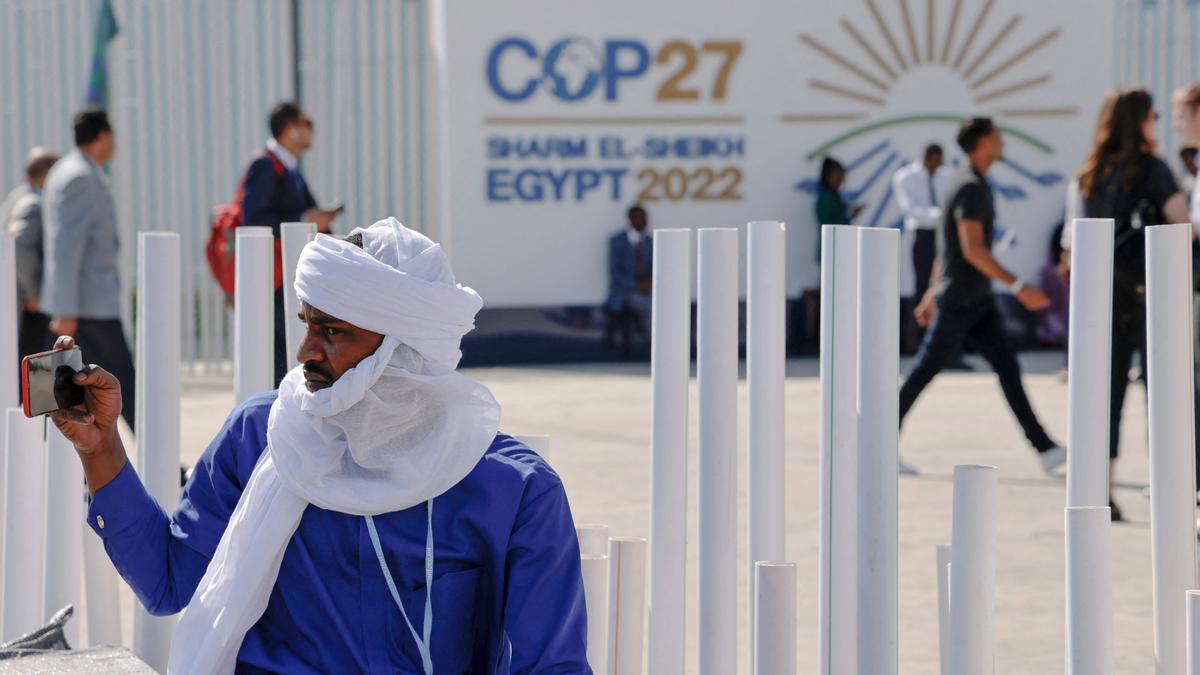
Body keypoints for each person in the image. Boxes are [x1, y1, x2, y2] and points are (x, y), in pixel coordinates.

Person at [52, 217, 589, 672]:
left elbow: (550, 664)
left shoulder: (511, 490)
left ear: (405, 349)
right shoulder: (260, 437)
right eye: (308, 324)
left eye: (332, 332)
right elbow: (170, 584)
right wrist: (101, 452)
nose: (305, 349)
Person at [900, 118, 1066, 475]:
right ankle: (876, 444)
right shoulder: (969, 187)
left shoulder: (970, 184)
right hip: (960, 300)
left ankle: (1045, 448)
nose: (1002, 142)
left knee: (1007, 368)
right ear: (983, 142)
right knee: (923, 371)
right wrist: (1020, 286)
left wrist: (930, 291)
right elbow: (971, 250)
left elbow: (946, 249)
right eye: (997, 137)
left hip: (976, 300)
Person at [41, 108, 134, 429]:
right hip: (89, 304)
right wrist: (66, 309)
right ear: (104, 137)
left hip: (83, 303)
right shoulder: (80, 177)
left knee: (72, 387)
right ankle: (161, 463)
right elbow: (67, 247)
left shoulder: (68, 171)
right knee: (123, 381)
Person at [241, 101, 342, 387]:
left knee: (290, 346)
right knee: (283, 350)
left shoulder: (289, 167)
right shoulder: (266, 165)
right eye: (306, 123)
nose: (312, 130)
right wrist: (302, 217)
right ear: (290, 130)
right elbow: (253, 217)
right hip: (273, 275)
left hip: (289, 273)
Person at [4, 147, 58, 367]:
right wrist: (34, 293)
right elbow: (19, 244)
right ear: (47, 174)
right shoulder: (34, 203)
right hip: (29, 305)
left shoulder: (16, 197)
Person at [893, 143, 953, 302]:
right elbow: (911, 211)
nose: (936, 167)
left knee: (943, 282)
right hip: (922, 236)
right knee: (922, 285)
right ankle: (917, 325)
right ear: (926, 159)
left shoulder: (946, 175)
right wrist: (942, 215)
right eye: (934, 163)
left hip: (942, 235)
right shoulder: (905, 176)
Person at [605, 204, 652, 358]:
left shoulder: (651, 242)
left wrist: (650, 284)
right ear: (631, 219)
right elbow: (615, 272)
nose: (644, 221)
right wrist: (637, 286)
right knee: (633, 305)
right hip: (625, 293)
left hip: (647, 291)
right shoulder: (617, 241)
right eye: (640, 217)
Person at [814, 157, 863, 246]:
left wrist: (850, 215)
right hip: (829, 248)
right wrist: (848, 214)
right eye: (838, 178)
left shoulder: (834, 196)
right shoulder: (825, 199)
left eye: (842, 178)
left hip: (837, 247)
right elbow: (828, 225)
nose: (841, 182)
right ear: (828, 176)